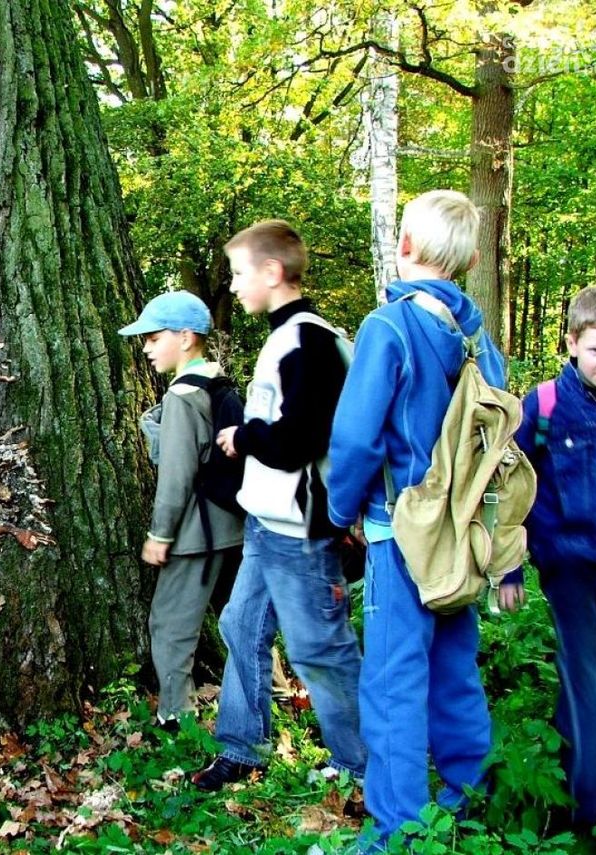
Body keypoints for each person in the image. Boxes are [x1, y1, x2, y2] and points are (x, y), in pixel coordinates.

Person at [326, 190, 507, 849]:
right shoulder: (477, 337)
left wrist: (339, 510)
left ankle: (398, 826)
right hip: (461, 532)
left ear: (404, 245)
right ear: (470, 258)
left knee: (393, 677)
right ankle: (468, 797)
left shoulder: (389, 326)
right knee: (455, 666)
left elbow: (354, 438)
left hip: (399, 530)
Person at [194, 220, 365, 792]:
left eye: (241, 273)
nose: (235, 285)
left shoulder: (308, 339)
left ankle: (363, 764)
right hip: (268, 523)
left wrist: (244, 438)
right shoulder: (285, 335)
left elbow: (302, 439)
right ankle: (242, 746)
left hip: (301, 529)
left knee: (319, 647)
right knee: (240, 623)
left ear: (273, 272)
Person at [514, 282, 596, 829]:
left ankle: (560, 776)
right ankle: (595, 815)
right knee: (589, 677)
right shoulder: (546, 404)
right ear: (574, 343)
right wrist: (510, 564)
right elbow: (512, 484)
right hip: (568, 565)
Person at [117, 291, 244, 727]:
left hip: (196, 534)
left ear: (186, 337)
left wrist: (160, 535)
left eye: (154, 338)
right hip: (234, 527)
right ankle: (282, 700)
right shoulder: (218, 383)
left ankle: (176, 721)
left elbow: (176, 477)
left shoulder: (182, 396)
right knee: (241, 624)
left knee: (170, 626)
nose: (147, 348)